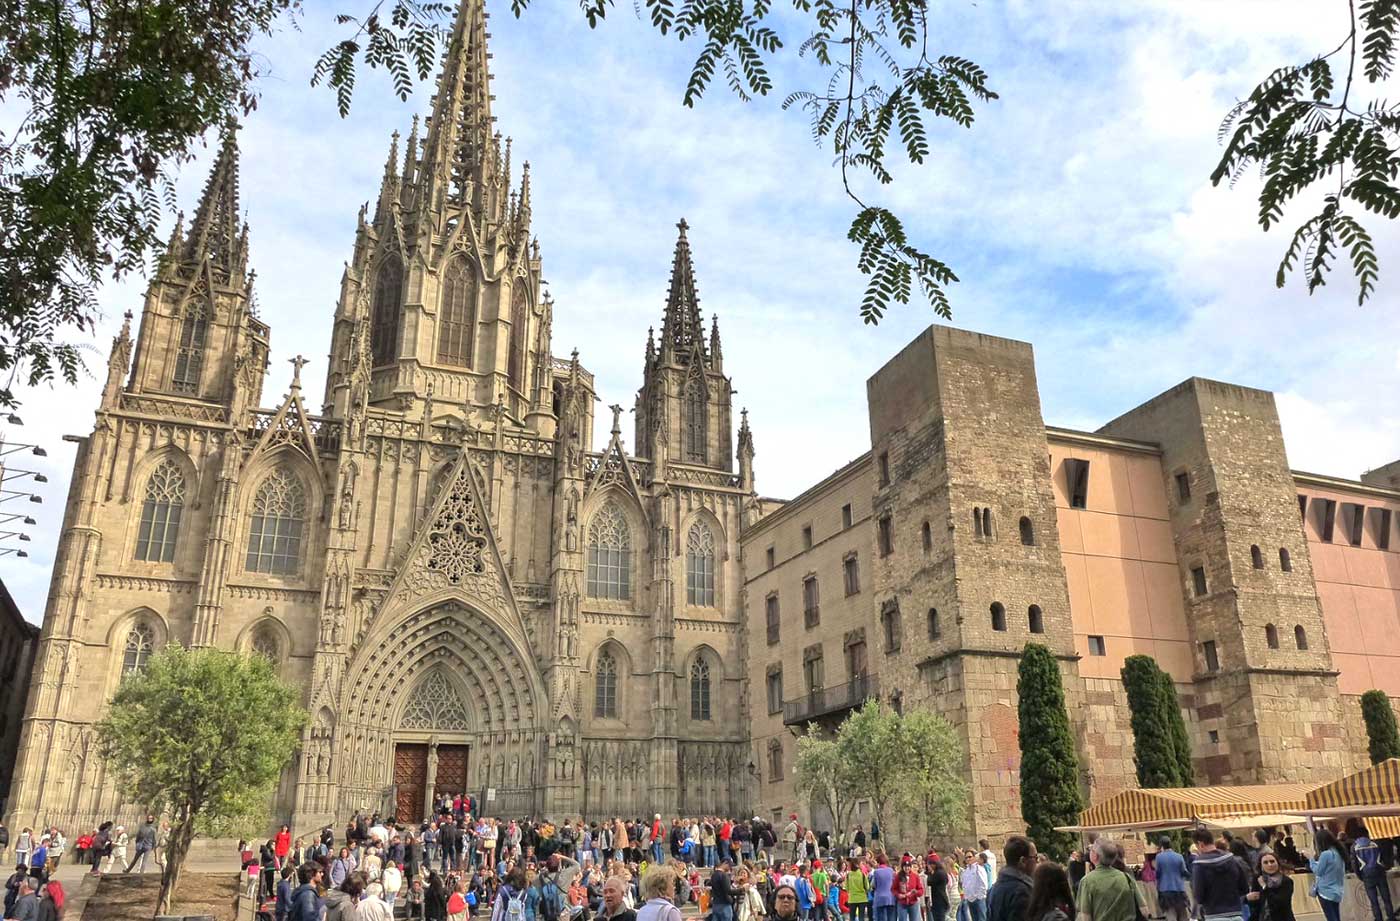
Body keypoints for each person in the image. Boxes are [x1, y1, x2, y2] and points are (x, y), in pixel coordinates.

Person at [1190, 830, 1248, 921]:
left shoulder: (1199, 865)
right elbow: (1244, 888)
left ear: (1200, 844)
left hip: (1213, 914)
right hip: (1236, 913)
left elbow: (1199, 896)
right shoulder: (1232, 859)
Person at [1075, 840, 1140, 921]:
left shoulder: (1087, 881)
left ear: (1095, 856)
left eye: (1091, 850)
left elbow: (1085, 916)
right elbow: (1144, 909)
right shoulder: (1126, 877)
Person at [986, 836, 1036, 921]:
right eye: (1035, 857)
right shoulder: (1022, 891)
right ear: (1023, 861)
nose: (1037, 862)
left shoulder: (995, 888)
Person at [1352, 823, 1395, 921]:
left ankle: (1378, 918)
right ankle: (1391, 917)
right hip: (1379, 872)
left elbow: (1354, 863)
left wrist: (1360, 876)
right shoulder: (1375, 843)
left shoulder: (1354, 846)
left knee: (1373, 900)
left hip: (1366, 875)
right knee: (1386, 898)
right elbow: (1383, 858)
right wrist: (1385, 868)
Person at [1307, 830, 1346, 921]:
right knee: (1336, 916)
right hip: (1337, 890)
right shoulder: (1338, 852)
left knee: (1331, 918)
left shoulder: (1326, 854)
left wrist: (1311, 859)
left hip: (1325, 891)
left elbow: (1318, 871)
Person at [1247, 853, 1294, 921]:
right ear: (1261, 866)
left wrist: (1264, 887)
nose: (1270, 865)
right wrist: (1248, 898)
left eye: (1272, 861)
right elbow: (1255, 905)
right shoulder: (1258, 879)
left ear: (1277, 863)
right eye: (1265, 862)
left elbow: (1280, 902)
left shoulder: (1286, 881)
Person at [1153, 837, 1189, 921]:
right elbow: (1184, 871)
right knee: (1183, 914)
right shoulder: (1179, 856)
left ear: (1162, 846)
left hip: (1165, 889)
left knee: (1170, 914)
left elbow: (1157, 873)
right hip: (1179, 889)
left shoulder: (1159, 857)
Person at [958, 856, 987, 921]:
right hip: (970, 899)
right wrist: (967, 896)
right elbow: (964, 883)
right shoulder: (966, 870)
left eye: (970, 857)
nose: (968, 859)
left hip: (979, 899)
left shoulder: (979, 868)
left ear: (974, 857)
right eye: (966, 857)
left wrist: (980, 896)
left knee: (982, 918)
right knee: (974, 918)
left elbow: (984, 883)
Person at [872, 856, 896, 921]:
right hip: (891, 897)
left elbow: (874, 885)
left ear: (878, 862)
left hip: (880, 898)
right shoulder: (891, 870)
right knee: (891, 918)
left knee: (881, 918)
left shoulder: (876, 872)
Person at [926, 856, 950, 921]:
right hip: (937, 900)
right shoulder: (942, 872)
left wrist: (930, 873)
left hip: (939, 901)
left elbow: (929, 882)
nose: (928, 867)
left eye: (929, 864)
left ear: (934, 864)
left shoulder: (938, 873)